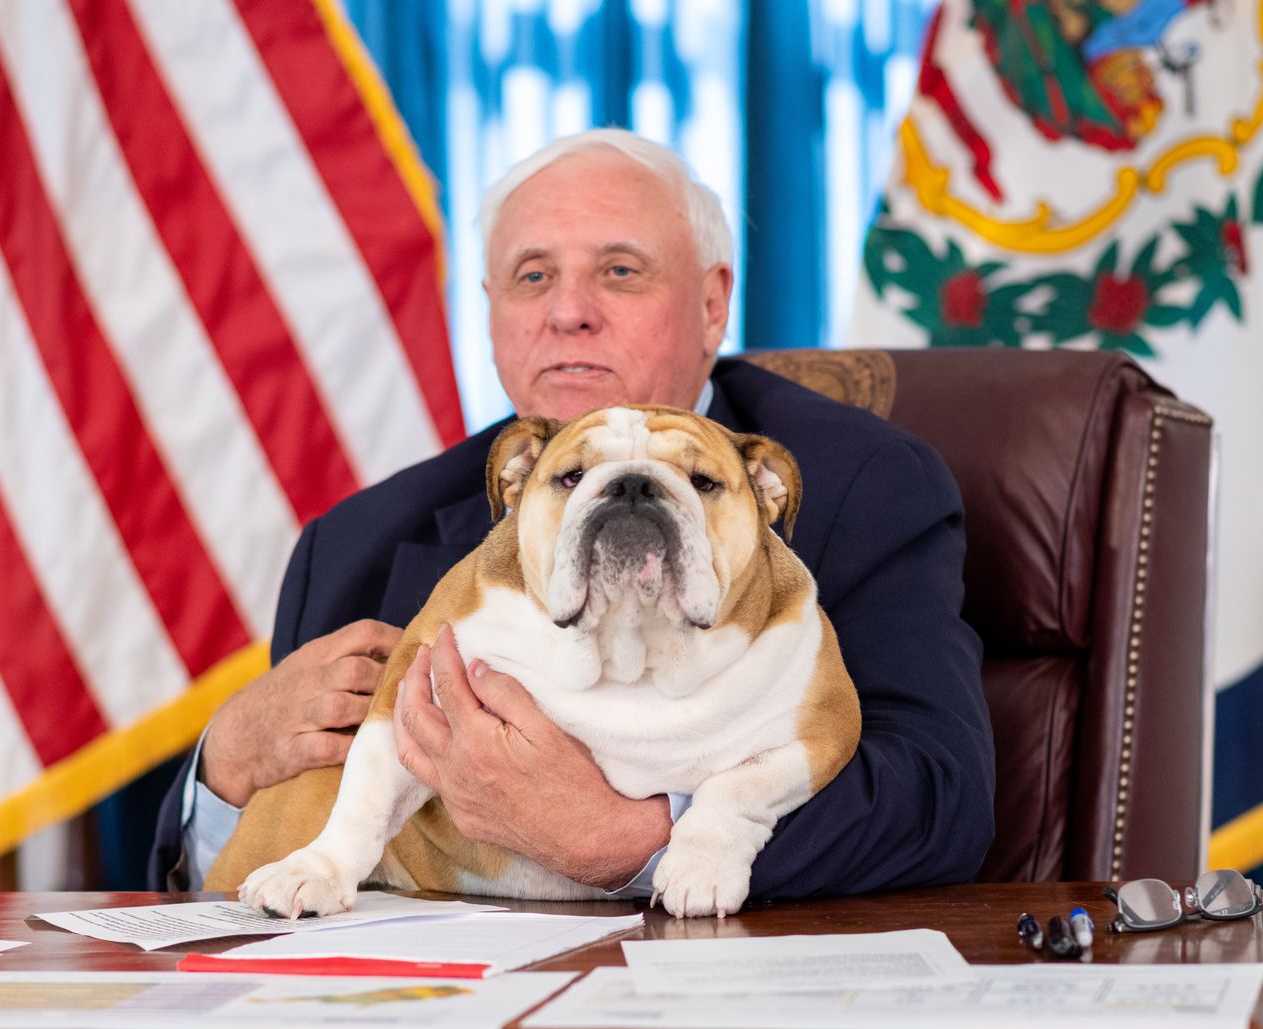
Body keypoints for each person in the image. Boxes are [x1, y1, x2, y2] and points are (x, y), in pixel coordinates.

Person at [148, 128, 995, 899]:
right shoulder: (356, 542)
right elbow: (264, 863)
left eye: (620, 271)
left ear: (711, 304)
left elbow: (938, 799)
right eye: (532, 276)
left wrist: (634, 842)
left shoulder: (866, 485)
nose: (567, 310)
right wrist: (222, 772)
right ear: (491, 313)